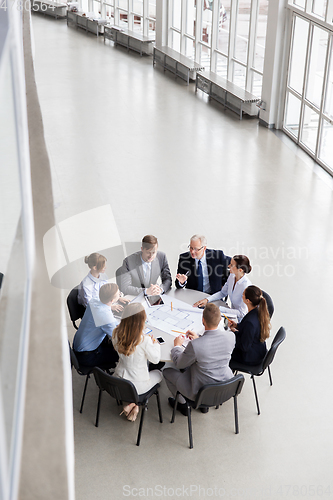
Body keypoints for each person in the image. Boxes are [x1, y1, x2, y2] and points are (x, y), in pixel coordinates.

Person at [163, 303, 235, 416]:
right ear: (220, 319)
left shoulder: (195, 345)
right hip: (224, 386)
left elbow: (179, 364)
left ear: (203, 320)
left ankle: (182, 404)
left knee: (167, 372)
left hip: (201, 390)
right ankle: (204, 407)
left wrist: (177, 346)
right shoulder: (231, 337)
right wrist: (200, 339)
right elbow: (214, 350)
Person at [112, 303, 163, 421]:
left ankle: (132, 404)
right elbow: (155, 360)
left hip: (119, 379)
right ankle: (137, 403)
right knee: (160, 373)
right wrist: (155, 344)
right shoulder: (144, 340)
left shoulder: (115, 332)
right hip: (138, 386)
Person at [73, 283, 120, 369]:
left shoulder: (94, 300)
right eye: (118, 294)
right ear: (112, 300)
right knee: (120, 355)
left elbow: (105, 314)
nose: (120, 294)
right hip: (88, 356)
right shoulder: (105, 317)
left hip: (79, 345)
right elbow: (117, 339)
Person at [194, 255, 252, 321]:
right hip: (230, 315)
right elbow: (222, 293)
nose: (228, 266)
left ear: (240, 270)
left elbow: (242, 313)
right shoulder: (232, 276)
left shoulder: (246, 286)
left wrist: (219, 309)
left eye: (232, 265)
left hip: (241, 320)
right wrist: (207, 300)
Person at [229, 285, 271, 365]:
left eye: (243, 294)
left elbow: (244, 346)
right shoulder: (257, 312)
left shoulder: (250, 322)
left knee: (223, 350)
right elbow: (249, 331)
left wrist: (234, 333)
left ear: (248, 301)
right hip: (258, 350)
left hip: (250, 357)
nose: (242, 295)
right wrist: (237, 326)